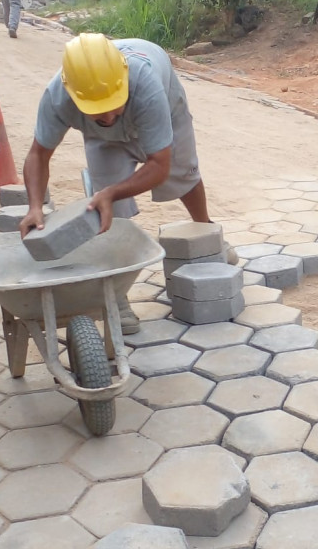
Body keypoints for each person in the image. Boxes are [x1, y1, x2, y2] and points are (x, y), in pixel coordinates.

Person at [19, 33, 222, 333]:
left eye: (114, 104)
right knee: (107, 209)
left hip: (164, 106)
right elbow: (38, 154)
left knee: (185, 175)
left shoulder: (145, 84)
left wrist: (113, 191)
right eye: (98, 109)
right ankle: (117, 295)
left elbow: (160, 165)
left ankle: (210, 242)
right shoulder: (58, 96)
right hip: (103, 143)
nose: (110, 114)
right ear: (74, 95)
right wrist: (35, 206)